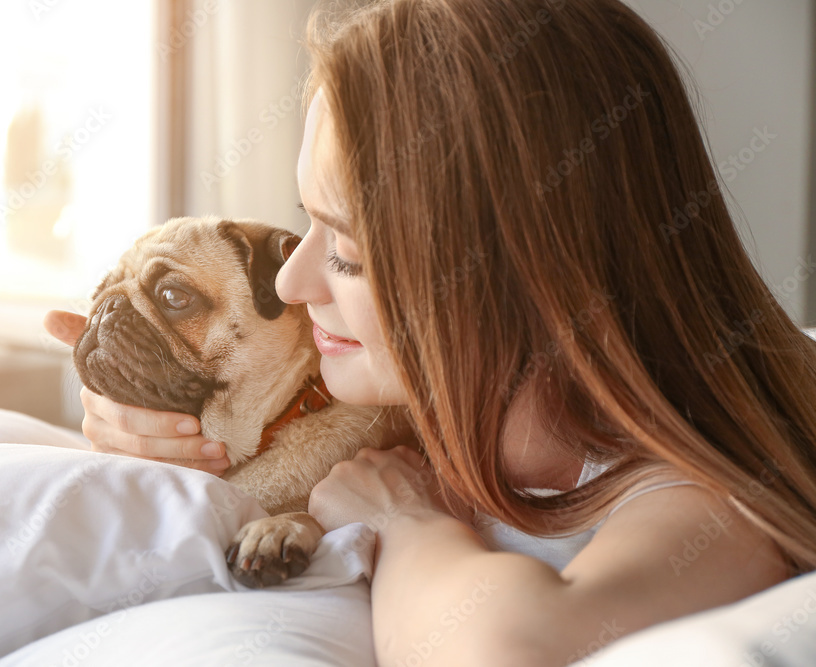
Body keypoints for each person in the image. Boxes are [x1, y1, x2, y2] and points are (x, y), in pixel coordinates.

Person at [45, 0, 816, 663]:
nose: (289, 282)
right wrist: (149, 428)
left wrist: (402, 517)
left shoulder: (704, 492)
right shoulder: (408, 416)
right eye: (305, 226)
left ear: (513, 278)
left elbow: (517, 650)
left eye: (344, 252)